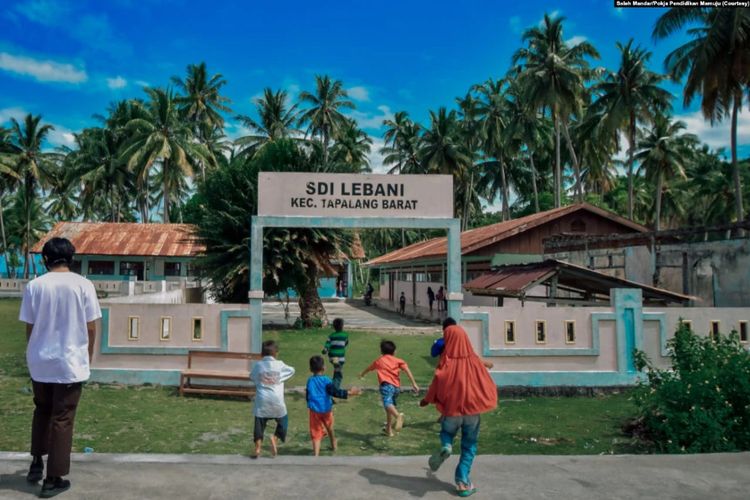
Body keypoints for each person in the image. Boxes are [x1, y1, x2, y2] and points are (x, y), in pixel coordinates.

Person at [19, 237, 102, 498]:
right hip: (69, 362)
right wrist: (86, 358)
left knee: (41, 410)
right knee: (62, 418)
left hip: (41, 361)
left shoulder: (35, 286)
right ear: (71, 258)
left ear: (45, 259)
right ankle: (53, 478)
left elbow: (30, 326)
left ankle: (36, 463)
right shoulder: (83, 285)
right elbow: (90, 326)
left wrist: (33, 354)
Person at [420, 324, 498, 497]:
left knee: (447, 433)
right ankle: (462, 482)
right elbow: (486, 380)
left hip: (451, 412)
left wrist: (426, 400)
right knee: (469, 446)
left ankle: (446, 446)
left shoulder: (445, 363)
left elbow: (436, 384)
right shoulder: (475, 361)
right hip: (472, 412)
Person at [359, 340, 419, 437]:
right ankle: (388, 430)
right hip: (396, 388)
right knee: (389, 408)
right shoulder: (398, 360)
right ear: (394, 351)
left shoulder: (379, 361)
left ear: (381, 352)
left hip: (386, 386)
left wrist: (362, 374)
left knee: (387, 404)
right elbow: (407, 370)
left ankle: (398, 416)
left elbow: (369, 368)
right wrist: (414, 383)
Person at [306, 355, 361, 456]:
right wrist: (349, 393)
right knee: (329, 428)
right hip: (326, 409)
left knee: (316, 435)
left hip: (314, 411)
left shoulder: (310, 381)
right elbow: (335, 392)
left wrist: (309, 405)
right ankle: (333, 445)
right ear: (324, 368)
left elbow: (308, 396)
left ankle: (316, 456)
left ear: (310, 369)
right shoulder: (326, 380)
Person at [250, 340, 295, 458]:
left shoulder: (258, 365)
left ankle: (258, 448)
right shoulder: (280, 365)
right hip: (277, 401)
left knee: (259, 424)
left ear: (261, 354)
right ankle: (275, 438)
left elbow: (252, 376)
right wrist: (280, 378)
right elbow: (292, 370)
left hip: (262, 400)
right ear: (276, 354)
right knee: (283, 420)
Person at [322, 318, 348, 390]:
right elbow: (346, 343)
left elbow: (327, 345)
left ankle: (334, 386)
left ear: (334, 326)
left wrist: (325, 350)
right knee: (339, 373)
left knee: (337, 371)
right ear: (342, 326)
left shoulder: (331, 336)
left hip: (332, 357)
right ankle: (335, 388)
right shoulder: (345, 335)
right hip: (340, 358)